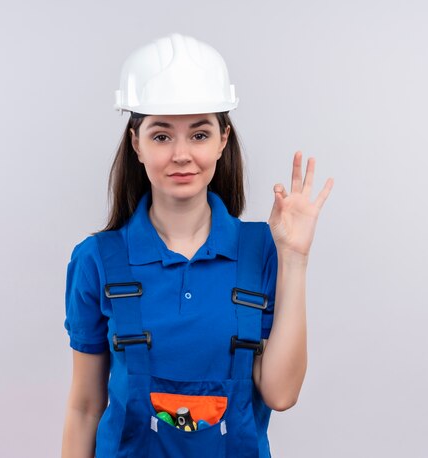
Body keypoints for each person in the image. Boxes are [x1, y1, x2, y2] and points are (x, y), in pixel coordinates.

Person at [61, 33, 334, 458]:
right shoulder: (97, 260)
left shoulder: (262, 250)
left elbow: (280, 394)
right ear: (137, 144)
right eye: (162, 136)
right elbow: (84, 407)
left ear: (223, 140)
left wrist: (294, 259)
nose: (182, 155)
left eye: (200, 134)